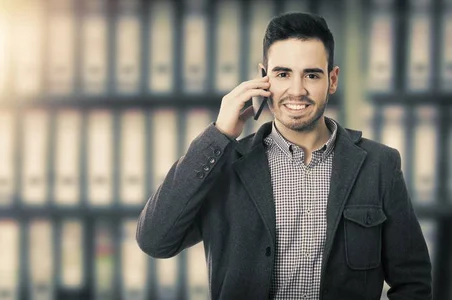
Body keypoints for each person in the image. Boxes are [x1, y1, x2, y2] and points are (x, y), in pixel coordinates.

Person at [136, 12, 432, 300]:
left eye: (312, 75)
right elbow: (155, 240)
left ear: (332, 79)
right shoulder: (224, 164)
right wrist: (219, 134)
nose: (297, 90)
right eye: (283, 74)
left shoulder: (380, 165)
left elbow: (412, 281)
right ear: (264, 78)